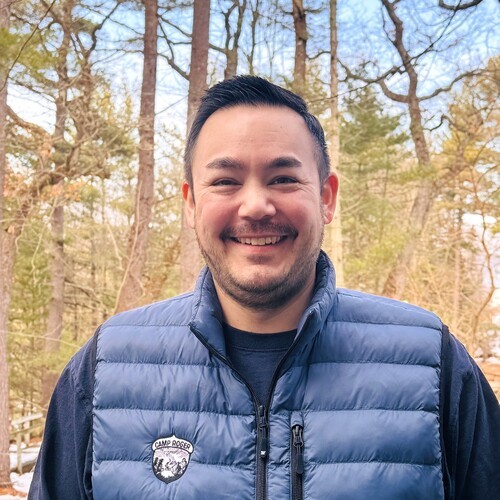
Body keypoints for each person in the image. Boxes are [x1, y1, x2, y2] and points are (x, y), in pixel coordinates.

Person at [29, 76, 499, 499]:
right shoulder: (104, 369)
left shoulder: (433, 365)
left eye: (284, 178)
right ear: (191, 204)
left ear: (326, 197)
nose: (255, 206)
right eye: (225, 181)